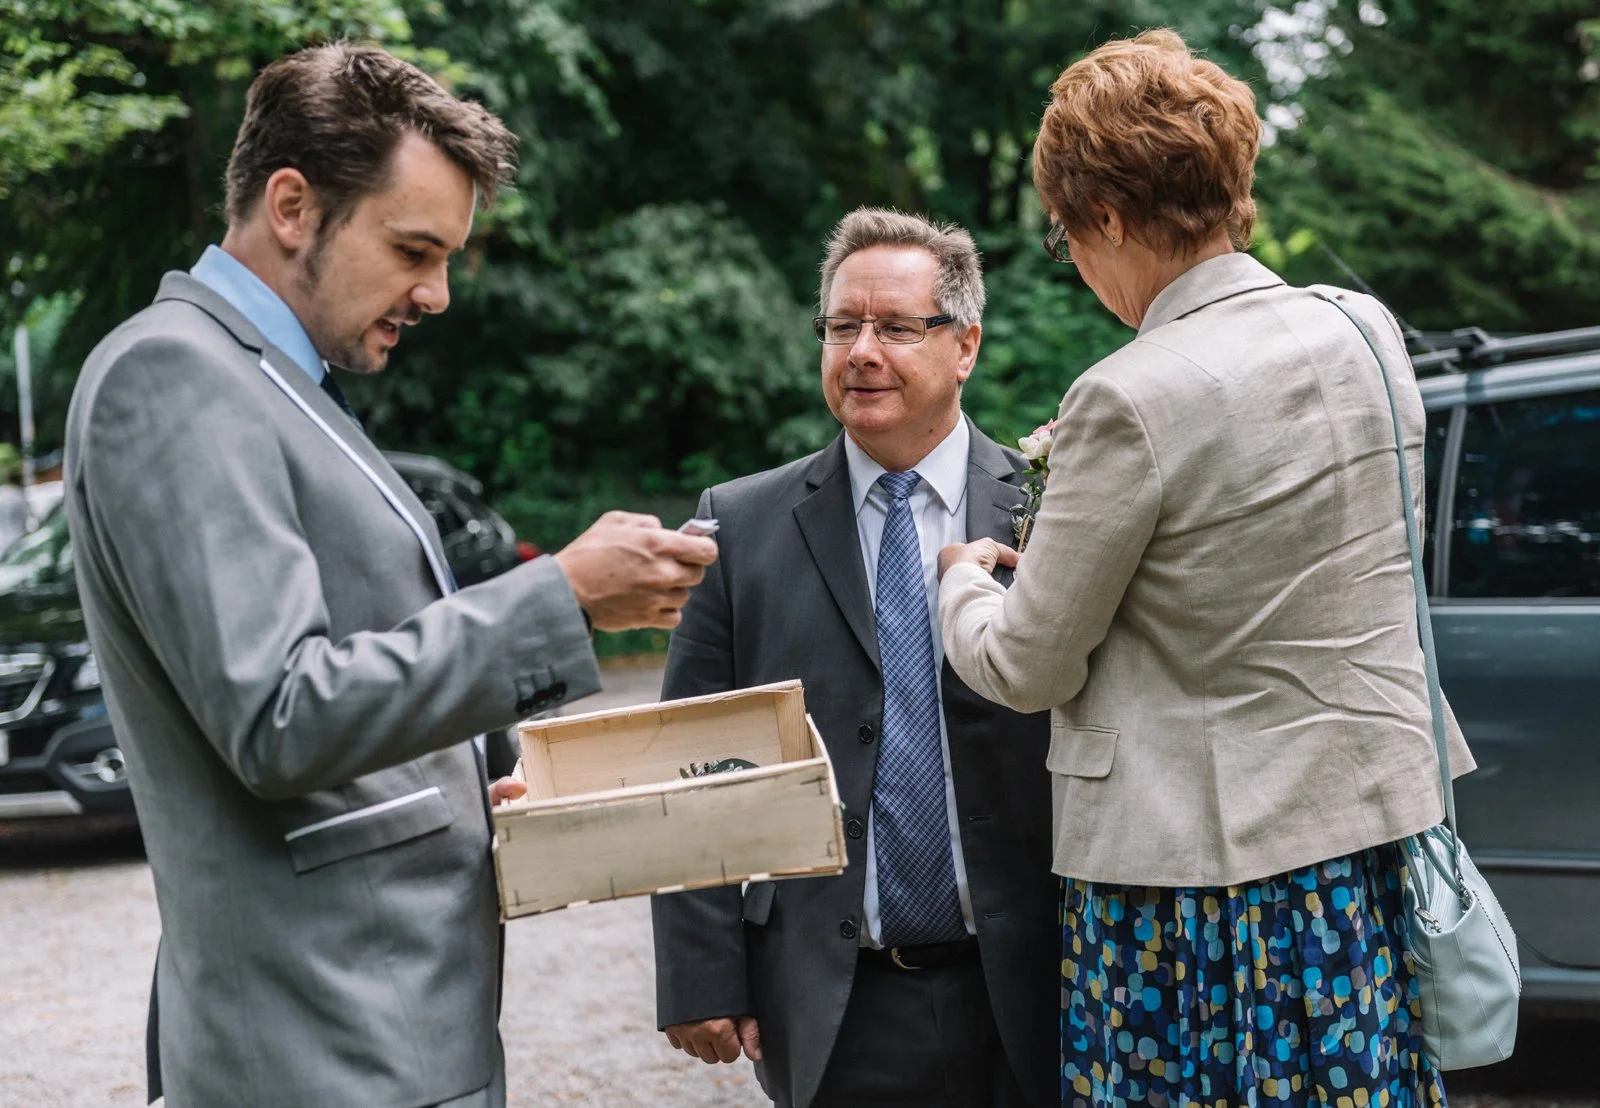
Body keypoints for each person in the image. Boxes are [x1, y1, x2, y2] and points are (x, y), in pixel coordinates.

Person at [63, 43, 717, 1108]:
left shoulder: (277, 380)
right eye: (414, 248)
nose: (439, 292)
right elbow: (277, 712)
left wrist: (496, 771)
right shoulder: (173, 374)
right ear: (291, 206)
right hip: (323, 1047)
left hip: (377, 1032)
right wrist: (563, 596)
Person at [936, 30, 1475, 1107]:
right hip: (1362, 843)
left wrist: (960, 577)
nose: (1075, 262)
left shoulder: (1129, 395)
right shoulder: (1362, 331)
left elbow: (1029, 665)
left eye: (1066, 234)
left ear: (1107, 217)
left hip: (1194, 881)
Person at [650, 208, 1057, 1108]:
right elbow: (689, 765)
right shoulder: (744, 524)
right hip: (834, 994)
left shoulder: (1051, 509)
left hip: (1033, 981)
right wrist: (697, 975)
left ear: (966, 346)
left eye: (896, 327)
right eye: (842, 325)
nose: (861, 350)